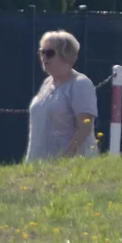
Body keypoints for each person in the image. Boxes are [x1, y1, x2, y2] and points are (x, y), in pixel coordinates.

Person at [25, 30, 98, 161]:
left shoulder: (80, 84)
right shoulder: (47, 83)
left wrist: (63, 159)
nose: (44, 58)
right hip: (39, 166)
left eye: (49, 53)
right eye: (42, 52)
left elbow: (85, 129)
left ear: (66, 55)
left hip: (71, 167)